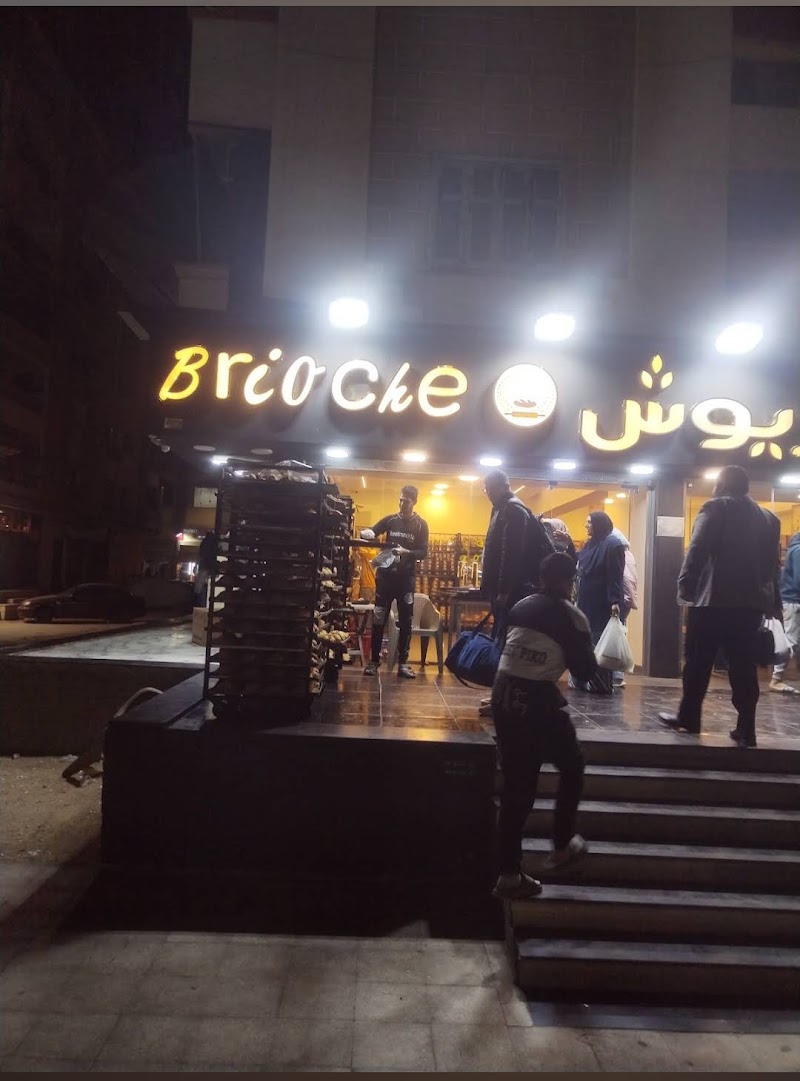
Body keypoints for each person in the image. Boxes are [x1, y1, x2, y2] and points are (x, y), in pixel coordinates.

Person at [491, 552, 597, 900]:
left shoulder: (521, 606)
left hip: (502, 697)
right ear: (570, 581)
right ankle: (562, 845)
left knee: (516, 788)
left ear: (541, 577)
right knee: (572, 764)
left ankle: (508, 874)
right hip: (536, 700)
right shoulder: (572, 616)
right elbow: (585, 671)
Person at [659, 464, 782, 748]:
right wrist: (771, 602)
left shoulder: (715, 508)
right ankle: (746, 728)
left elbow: (697, 549)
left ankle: (689, 718)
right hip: (750, 606)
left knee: (698, 663)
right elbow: (771, 566)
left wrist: (685, 587)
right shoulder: (769, 518)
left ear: (722, 485)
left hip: (711, 601)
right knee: (744, 667)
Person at [479, 471, 554, 716]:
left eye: (490, 488)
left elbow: (511, 554)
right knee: (504, 643)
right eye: (485, 488)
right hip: (508, 589)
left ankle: (503, 699)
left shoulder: (513, 510)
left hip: (513, 591)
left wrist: (504, 590)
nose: (487, 493)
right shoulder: (503, 509)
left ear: (503, 486)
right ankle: (499, 696)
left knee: (507, 645)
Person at [360, 485, 429, 679]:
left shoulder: (421, 525)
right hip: (385, 578)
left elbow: (423, 552)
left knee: (406, 620)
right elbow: (373, 531)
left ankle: (403, 664)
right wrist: (367, 533)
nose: (402, 504)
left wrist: (407, 552)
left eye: (406, 501)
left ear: (414, 502)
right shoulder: (390, 520)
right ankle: (374, 662)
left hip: (406, 579)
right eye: (400, 500)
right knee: (379, 617)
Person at [573, 512, 625, 695]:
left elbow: (615, 575)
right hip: (586, 602)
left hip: (601, 604)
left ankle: (599, 683)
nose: (586, 526)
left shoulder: (613, 545)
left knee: (599, 641)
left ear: (598, 524)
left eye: (589, 522)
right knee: (586, 640)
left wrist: (615, 601)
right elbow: (580, 562)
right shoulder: (591, 544)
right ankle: (583, 680)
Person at [770, 530, 800, 696]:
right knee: (791, 641)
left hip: (792, 600)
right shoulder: (799, 550)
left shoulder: (795, 548)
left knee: (793, 640)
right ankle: (776, 679)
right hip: (794, 601)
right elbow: (799, 580)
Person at [610, 527, 638, 688]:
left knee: (613, 637)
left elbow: (623, 579)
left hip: (619, 600)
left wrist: (617, 600)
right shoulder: (630, 555)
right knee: (619, 635)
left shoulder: (618, 554)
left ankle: (615, 675)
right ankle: (618, 675)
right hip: (626, 600)